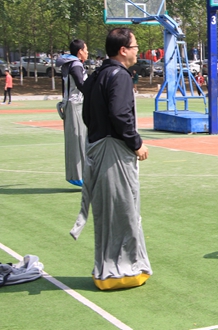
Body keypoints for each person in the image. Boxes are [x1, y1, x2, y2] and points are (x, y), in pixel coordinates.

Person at [70, 28, 151, 291]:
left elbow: (87, 115)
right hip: (114, 153)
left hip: (97, 148)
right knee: (124, 211)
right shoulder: (119, 76)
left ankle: (112, 268)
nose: (137, 51)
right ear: (123, 50)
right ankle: (121, 271)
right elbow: (119, 114)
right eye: (135, 47)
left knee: (109, 213)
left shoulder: (97, 75)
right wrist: (136, 143)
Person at [56, 39, 88, 187]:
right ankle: (80, 176)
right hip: (75, 106)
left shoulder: (70, 64)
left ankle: (78, 175)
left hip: (71, 105)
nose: (87, 52)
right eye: (86, 49)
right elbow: (81, 85)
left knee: (77, 140)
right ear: (80, 51)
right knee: (79, 140)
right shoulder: (75, 65)